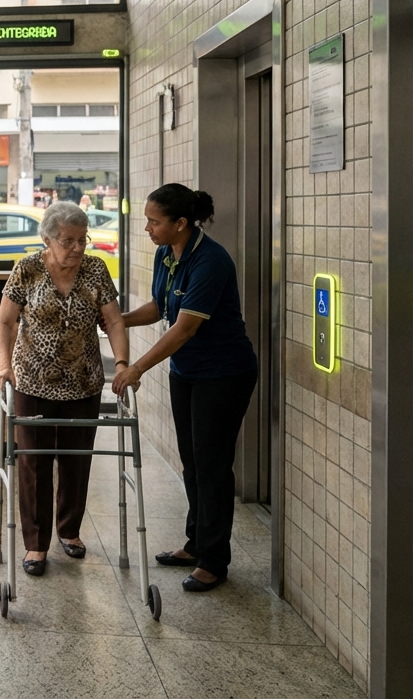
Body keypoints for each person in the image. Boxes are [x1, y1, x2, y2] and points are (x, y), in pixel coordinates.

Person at [111, 184, 257, 593]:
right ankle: (196, 543)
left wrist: (137, 366)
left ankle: (214, 560)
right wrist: (116, 320)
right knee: (192, 461)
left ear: (180, 223)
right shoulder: (166, 254)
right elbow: (160, 307)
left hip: (224, 374)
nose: (147, 228)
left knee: (212, 465)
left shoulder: (210, 261)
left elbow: (186, 326)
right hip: (188, 372)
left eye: (154, 222)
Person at [0, 201, 130, 577]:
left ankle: (69, 530)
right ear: (48, 239)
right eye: (68, 240)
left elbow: (114, 322)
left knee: (76, 459)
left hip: (83, 382)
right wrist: (5, 367)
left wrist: (121, 363)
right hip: (32, 381)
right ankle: (35, 544)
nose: (77, 247)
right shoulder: (28, 269)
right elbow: (4, 323)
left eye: (82, 239)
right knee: (33, 462)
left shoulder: (96, 269)